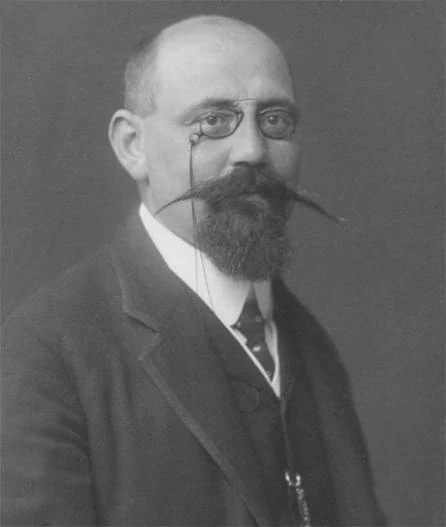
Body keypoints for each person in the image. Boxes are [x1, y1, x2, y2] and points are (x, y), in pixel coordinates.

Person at [1, 15, 386, 526]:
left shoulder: (307, 340)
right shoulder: (44, 354)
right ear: (132, 145)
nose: (253, 151)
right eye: (214, 121)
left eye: (275, 120)